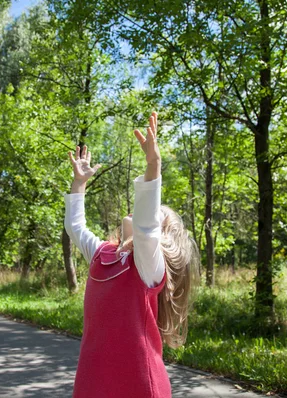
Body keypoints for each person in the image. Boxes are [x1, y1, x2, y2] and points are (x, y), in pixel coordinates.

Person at [64, 112, 199, 398]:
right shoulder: (104, 256)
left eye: (153, 215)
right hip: (92, 381)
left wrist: (153, 165)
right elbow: (75, 227)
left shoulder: (148, 268)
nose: (142, 216)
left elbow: (146, 228)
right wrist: (79, 184)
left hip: (138, 385)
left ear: (159, 237)